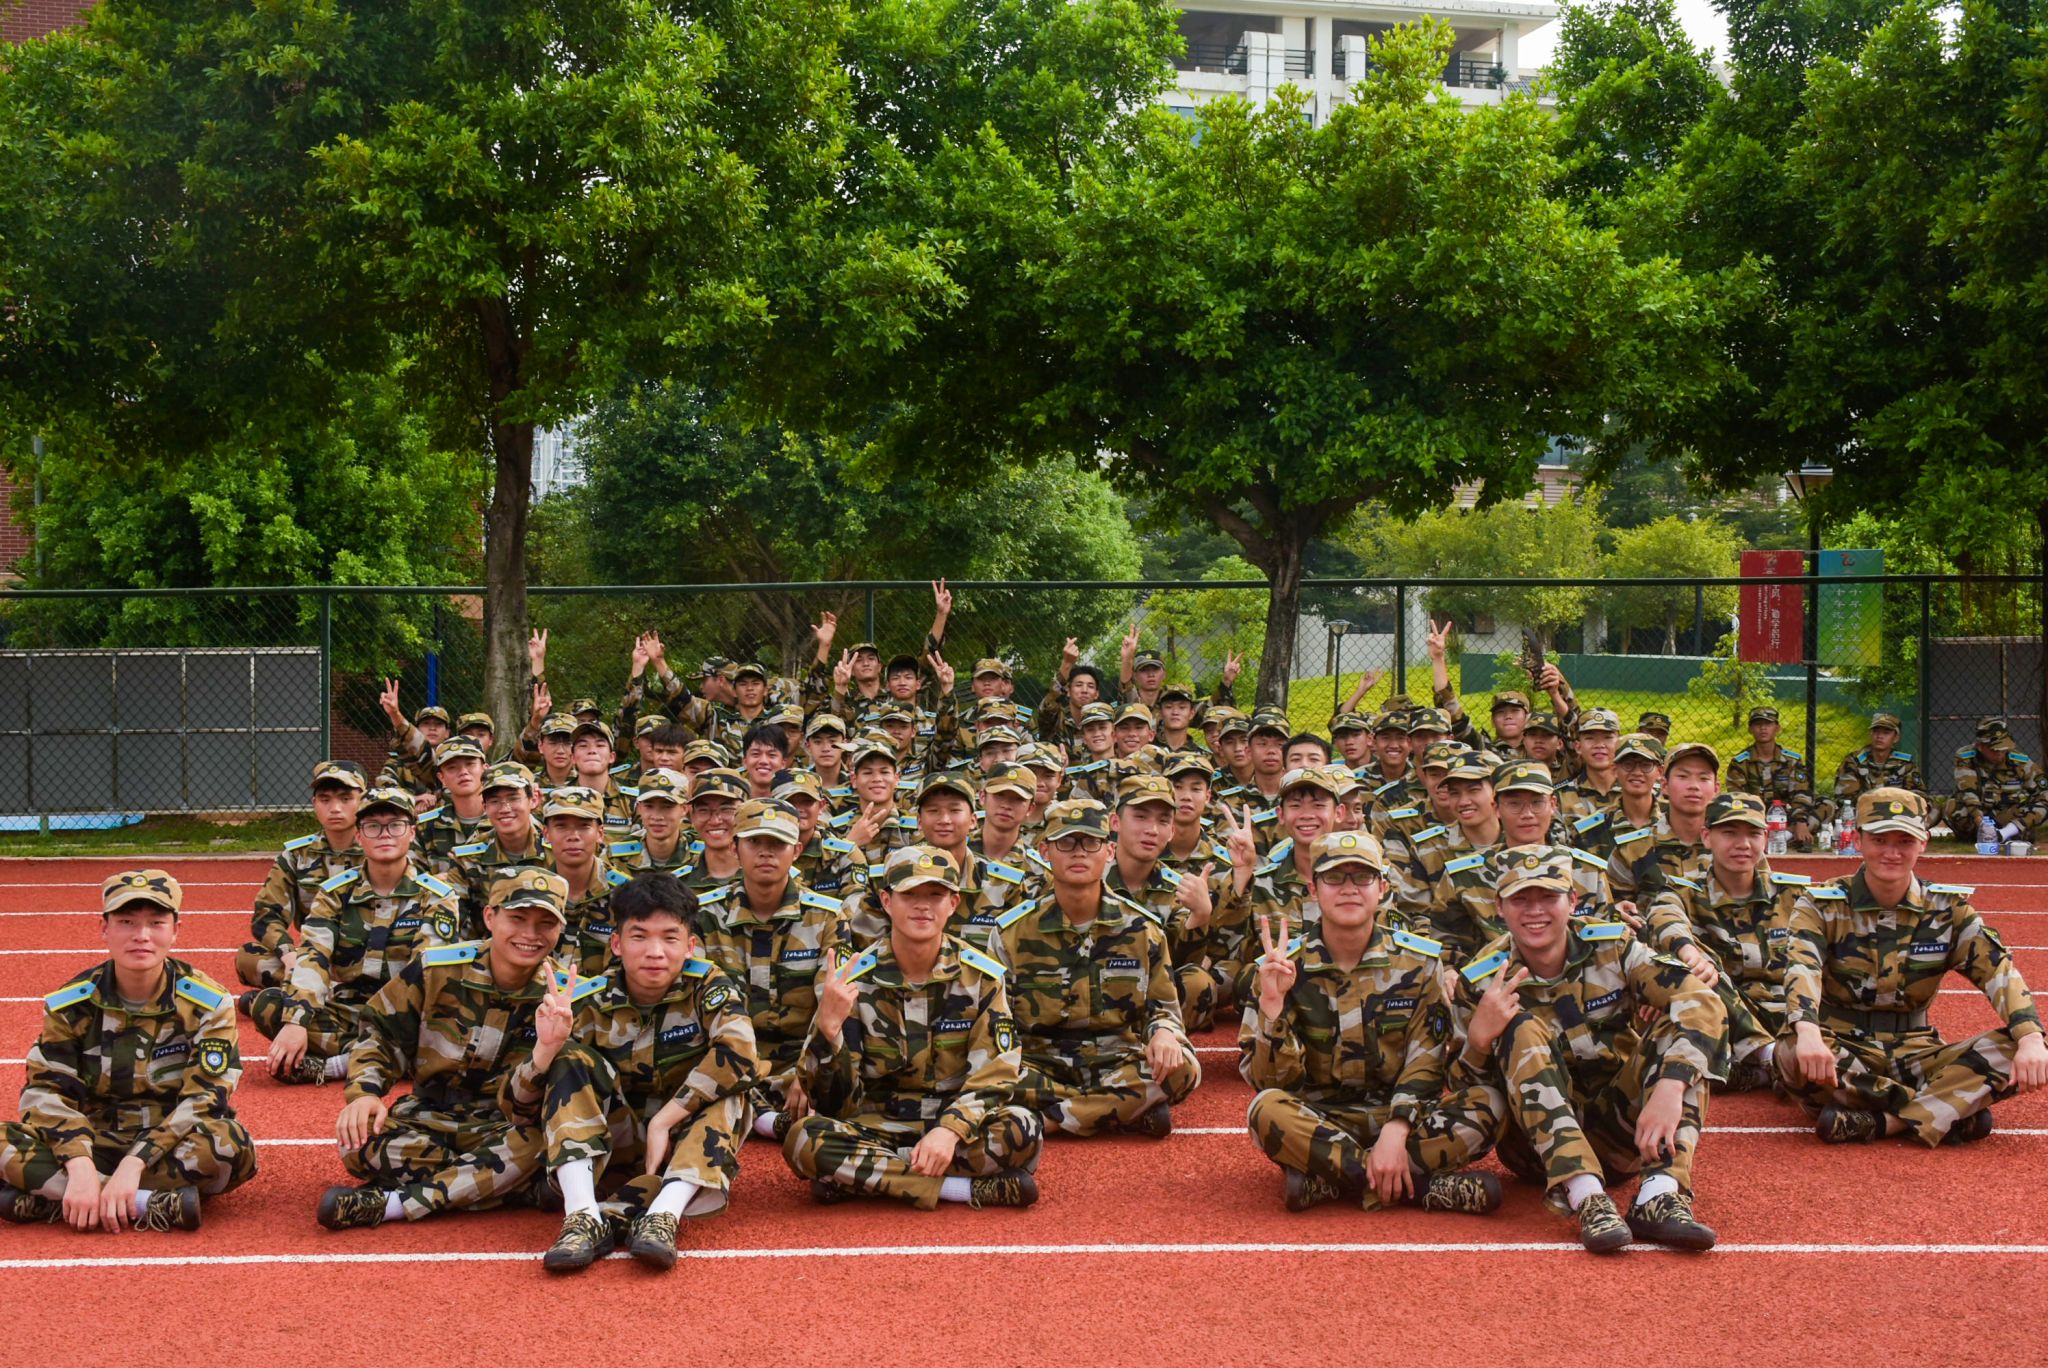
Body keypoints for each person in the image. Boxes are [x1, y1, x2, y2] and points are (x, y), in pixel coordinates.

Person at [1452, 846, 1725, 1253]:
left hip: (1621, 1132)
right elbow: (1465, 1096)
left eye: (1548, 897)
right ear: (1499, 907)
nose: (1535, 911)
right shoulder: (1481, 979)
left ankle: (1659, 1194)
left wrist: (1670, 1087)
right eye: (1520, 899)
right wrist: (1478, 1041)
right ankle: (1587, 1198)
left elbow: (1703, 1002)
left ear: (1572, 900)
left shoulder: (1613, 947)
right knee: (1520, 1028)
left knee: (1683, 1038)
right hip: (1535, 1150)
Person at [1241, 832, 1504, 1215]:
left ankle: (1333, 1180)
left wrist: (1397, 1128)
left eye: (1362, 877)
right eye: (1334, 878)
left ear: (1381, 888)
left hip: (1405, 1118)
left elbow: (1426, 1063)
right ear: (1313, 889)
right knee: (1264, 1109)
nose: (1349, 888)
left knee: (1490, 1103)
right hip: (1323, 1120)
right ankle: (1420, 1188)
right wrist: (1272, 1007)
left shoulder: (1418, 963)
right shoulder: (1282, 966)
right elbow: (1272, 1082)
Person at [516, 873, 759, 1271]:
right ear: (617, 944)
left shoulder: (708, 986)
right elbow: (517, 1109)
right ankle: (582, 1217)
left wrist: (666, 1120)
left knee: (732, 1090)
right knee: (570, 1058)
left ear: (690, 946)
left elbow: (741, 1055)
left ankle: (663, 1215)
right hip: (615, 1146)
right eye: (639, 937)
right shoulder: (589, 1001)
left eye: (669, 938)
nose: (655, 952)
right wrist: (545, 1050)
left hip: (682, 1146)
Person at [1777, 788, 2047, 1144]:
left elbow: (1998, 971)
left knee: (2025, 1048)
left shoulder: (1948, 909)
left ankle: (1886, 1122)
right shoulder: (1821, 905)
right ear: (1858, 840)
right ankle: (1945, 1111)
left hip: (1918, 1052)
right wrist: (1808, 1032)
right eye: (1879, 840)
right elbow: (1802, 967)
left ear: (1923, 844)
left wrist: (2030, 1037)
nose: (1892, 852)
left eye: (1905, 841)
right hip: (1843, 1048)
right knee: (1792, 1051)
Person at [784, 847, 1041, 1209]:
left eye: (935, 895)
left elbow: (996, 1073)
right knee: (805, 1139)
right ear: (887, 901)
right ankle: (962, 1190)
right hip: (877, 1125)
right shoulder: (854, 979)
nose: (923, 906)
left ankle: (864, 1178)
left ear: (953, 903)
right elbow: (832, 1104)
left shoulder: (981, 978)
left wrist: (950, 1130)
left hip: (953, 1126)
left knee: (1023, 1128)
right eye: (910, 894)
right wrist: (828, 1032)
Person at [314, 868, 571, 1230]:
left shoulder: (566, 996)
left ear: (560, 929)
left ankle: (393, 1204)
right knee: (357, 1142)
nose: (530, 934)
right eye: (517, 919)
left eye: (546, 923)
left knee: (543, 1146)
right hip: (428, 1116)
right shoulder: (437, 969)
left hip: (507, 1128)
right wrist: (365, 1093)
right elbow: (382, 1032)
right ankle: (510, 1188)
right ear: (490, 917)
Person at [0, 870, 255, 1232]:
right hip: (92, 1141)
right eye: (126, 922)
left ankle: (62, 1200)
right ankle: (147, 1204)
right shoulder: (71, 1004)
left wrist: (136, 1162)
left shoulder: (207, 1003)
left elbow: (205, 1100)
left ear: (175, 930)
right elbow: (45, 1092)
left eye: (156, 923)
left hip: (169, 1144)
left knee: (231, 1146)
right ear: (104, 929)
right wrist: (79, 1164)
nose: (142, 935)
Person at [995, 799, 1199, 1137]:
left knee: (1183, 1067)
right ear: (1045, 852)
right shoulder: (1012, 932)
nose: (1079, 852)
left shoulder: (1142, 929)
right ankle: (1123, 1111)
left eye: (1091, 842)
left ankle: (1050, 1120)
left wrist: (1164, 1032)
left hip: (1115, 1061)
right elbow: (996, 1021)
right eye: (1066, 842)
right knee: (984, 1072)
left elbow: (1162, 1009)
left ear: (1109, 851)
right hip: (1039, 1065)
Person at [244, 786, 463, 1086]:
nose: (385, 834)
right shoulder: (334, 893)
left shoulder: (437, 896)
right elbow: (313, 955)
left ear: (412, 833)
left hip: (408, 1014)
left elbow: (423, 974)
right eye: (373, 826)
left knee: (455, 1027)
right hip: (349, 1011)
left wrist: (391, 1025)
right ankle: (390, 1060)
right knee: (270, 1006)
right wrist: (296, 1021)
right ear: (359, 836)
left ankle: (338, 1065)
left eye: (395, 825)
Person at [695, 799, 851, 1144]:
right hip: (730, 1054)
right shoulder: (705, 915)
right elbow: (698, 1006)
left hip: (798, 1056)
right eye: (754, 842)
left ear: (796, 851)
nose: (766, 852)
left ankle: (755, 1114)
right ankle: (769, 1119)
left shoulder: (827, 917)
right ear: (735, 849)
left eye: (777, 844)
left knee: (842, 1066)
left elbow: (831, 1004)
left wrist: (807, 1072)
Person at [1642, 794, 1802, 1094]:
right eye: (1729, 833)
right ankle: (1768, 1058)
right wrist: (1689, 952)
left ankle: (1751, 1070)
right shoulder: (1684, 892)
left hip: (1787, 1014)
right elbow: (1664, 918)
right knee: (1696, 972)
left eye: (1753, 834)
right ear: (1706, 837)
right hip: (1721, 1013)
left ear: (1766, 838)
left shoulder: (1795, 895)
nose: (1743, 844)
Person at [239, 760, 366, 990]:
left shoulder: (378, 849)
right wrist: (288, 954)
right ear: (314, 803)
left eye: (346, 799)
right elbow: (266, 913)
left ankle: (302, 992)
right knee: (248, 957)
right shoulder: (297, 855)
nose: (335, 808)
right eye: (325, 800)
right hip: (315, 956)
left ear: (364, 801)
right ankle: (321, 988)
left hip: (368, 958)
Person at [437, 760, 548, 934]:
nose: (505, 809)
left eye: (513, 798)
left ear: (533, 799)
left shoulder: (556, 848)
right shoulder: (469, 858)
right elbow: (456, 917)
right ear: (485, 807)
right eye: (495, 801)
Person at [540, 786, 633, 975]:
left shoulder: (627, 895)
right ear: (546, 834)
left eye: (584, 826)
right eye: (561, 826)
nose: (573, 836)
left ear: (600, 833)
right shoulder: (533, 893)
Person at [1608, 741, 1717, 897]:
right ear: (1664, 785)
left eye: (1703, 778)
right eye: (1683, 776)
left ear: (1716, 789)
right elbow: (1615, 906)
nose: (1694, 786)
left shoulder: (1732, 847)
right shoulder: (1631, 849)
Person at [1726, 706, 1818, 850]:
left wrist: (1800, 821)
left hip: (1787, 816)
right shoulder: (1740, 763)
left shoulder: (1792, 760)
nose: (1763, 728)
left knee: (1826, 804)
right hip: (1755, 817)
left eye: (1768, 724)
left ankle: (1788, 833)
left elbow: (1800, 794)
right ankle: (1787, 836)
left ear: (1777, 728)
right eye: (1757, 724)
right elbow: (1738, 797)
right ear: (1750, 729)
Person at [1946, 717, 2047, 844]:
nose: (2000, 753)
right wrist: (1982, 824)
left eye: (2003, 748)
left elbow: (2043, 790)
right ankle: (1978, 835)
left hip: (2008, 813)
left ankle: (2005, 833)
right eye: (1994, 750)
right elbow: (1969, 793)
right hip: (1978, 812)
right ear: (1980, 746)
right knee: (1953, 806)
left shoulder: (2019, 761)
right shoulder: (1966, 757)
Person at [1828, 711, 1925, 824]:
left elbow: (1919, 795)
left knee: (1932, 808)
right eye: (1876, 731)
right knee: (1841, 809)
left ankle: (1915, 830)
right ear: (1871, 734)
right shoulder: (1854, 761)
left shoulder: (1905, 764)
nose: (1880, 736)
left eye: (1886, 732)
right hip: (1863, 811)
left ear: (1896, 738)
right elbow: (1845, 797)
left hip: (1897, 810)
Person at [415, 736, 492, 857]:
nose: (463, 772)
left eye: (470, 764)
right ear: (442, 778)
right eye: (452, 767)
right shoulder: (425, 827)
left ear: (485, 770)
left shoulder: (506, 820)